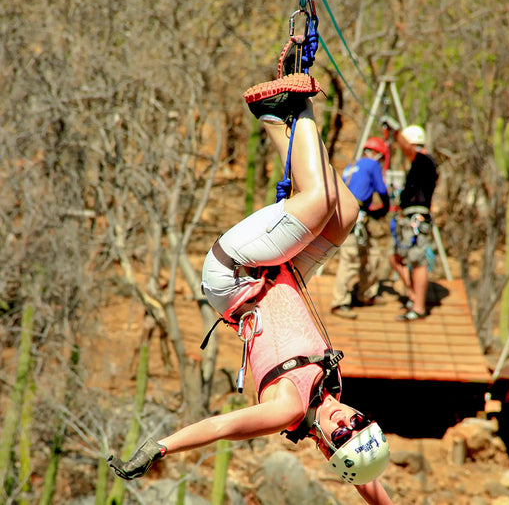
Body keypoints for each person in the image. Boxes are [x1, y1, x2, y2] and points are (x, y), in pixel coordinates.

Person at [108, 63, 393, 503]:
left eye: (342, 433)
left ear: (324, 444)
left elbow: (223, 428)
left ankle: (294, 109)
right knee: (346, 215)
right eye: (360, 422)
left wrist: (162, 446)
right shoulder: (331, 393)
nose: (346, 420)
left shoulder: (289, 408)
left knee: (316, 201)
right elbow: (369, 483)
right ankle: (282, 119)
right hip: (285, 272)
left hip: (237, 276)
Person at [381, 116, 439, 321]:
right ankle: (414, 296)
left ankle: (419, 307)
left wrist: (396, 132)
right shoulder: (419, 165)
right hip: (408, 217)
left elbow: (407, 149)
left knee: (418, 262)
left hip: (417, 219)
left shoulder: (424, 160)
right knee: (395, 257)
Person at [330, 137, 390, 319]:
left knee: (372, 254)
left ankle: (366, 293)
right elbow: (381, 190)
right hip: (354, 217)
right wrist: (385, 207)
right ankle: (339, 302)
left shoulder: (353, 165)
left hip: (347, 215)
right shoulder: (372, 165)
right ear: (378, 155)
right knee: (350, 260)